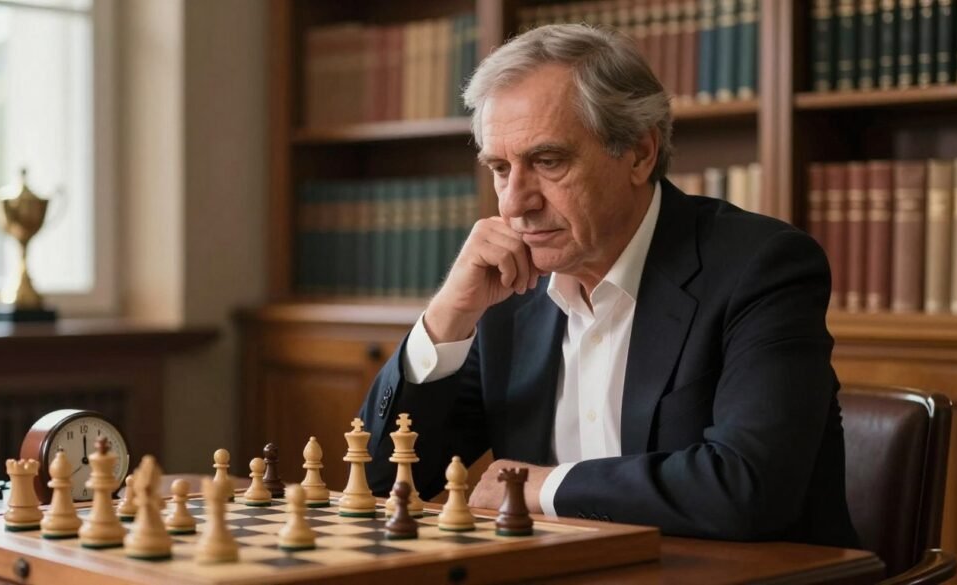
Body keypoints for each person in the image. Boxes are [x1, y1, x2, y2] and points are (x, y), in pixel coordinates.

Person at [358, 23, 859, 547]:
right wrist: (447, 319)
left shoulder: (760, 267)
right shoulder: (509, 291)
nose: (513, 204)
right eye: (500, 168)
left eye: (547, 162)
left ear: (639, 154)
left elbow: (749, 487)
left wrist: (544, 486)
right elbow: (376, 481)